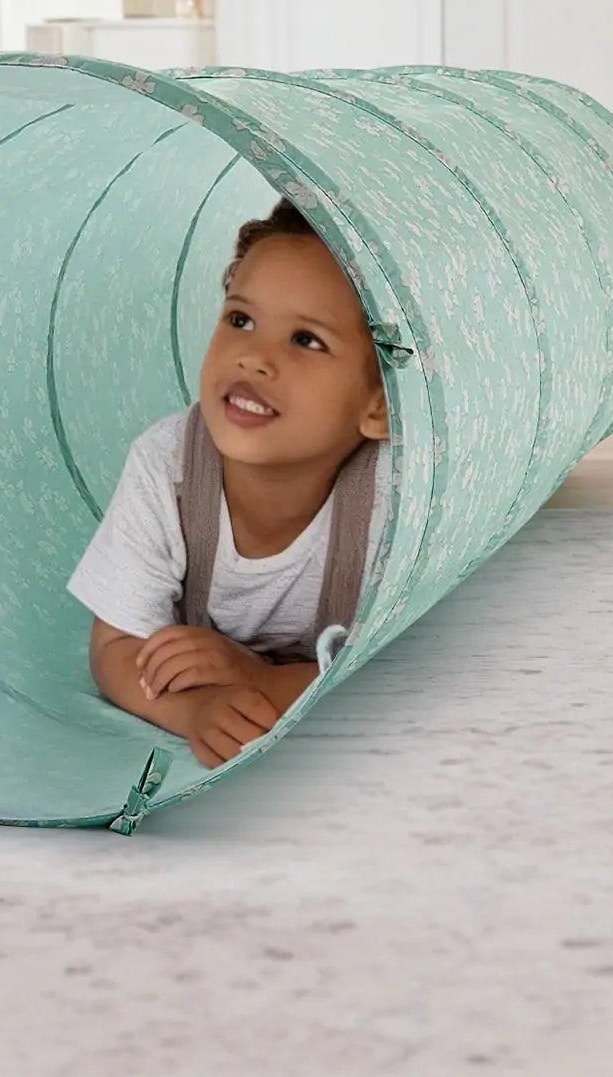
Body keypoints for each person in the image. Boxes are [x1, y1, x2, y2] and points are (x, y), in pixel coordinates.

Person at [68, 201, 390, 769]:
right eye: (240, 320)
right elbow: (116, 647)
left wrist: (258, 680)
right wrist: (195, 711)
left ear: (379, 406)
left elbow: (396, 676)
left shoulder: (394, 495)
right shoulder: (167, 467)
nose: (253, 358)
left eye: (306, 340)